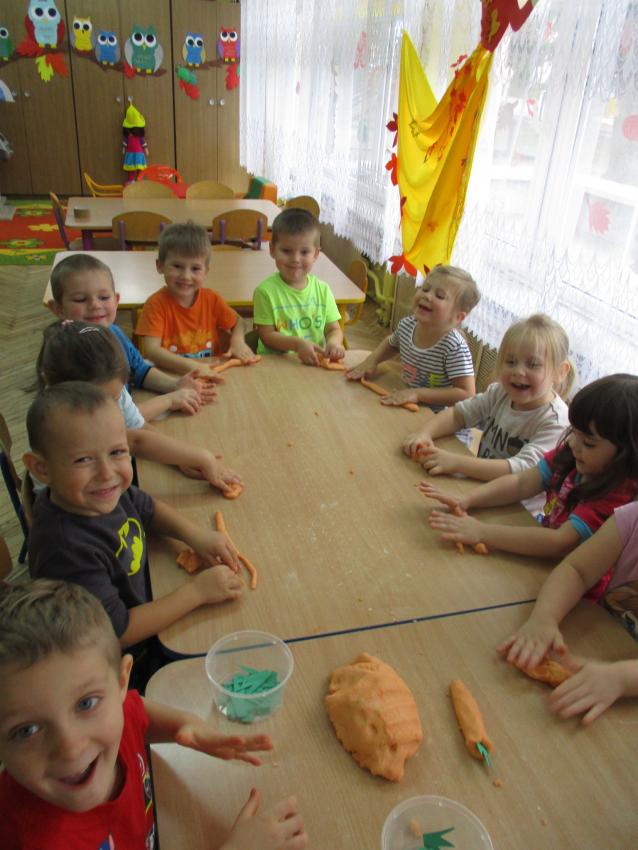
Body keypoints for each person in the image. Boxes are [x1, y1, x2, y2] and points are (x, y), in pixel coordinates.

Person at [0, 579, 307, 850]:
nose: (70, 748)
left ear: (122, 682)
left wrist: (186, 725)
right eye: (26, 731)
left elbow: (136, 713)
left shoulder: (113, 714)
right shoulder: (40, 842)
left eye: (86, 704)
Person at [24, 382, 244, 655]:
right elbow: (116, 633)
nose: (107, 473)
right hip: (129, 657)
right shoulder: (65, 550)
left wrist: (194, 534)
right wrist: (197, 593)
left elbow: (146, 507)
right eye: (83, 460)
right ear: (41, 469)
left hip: (148, 597)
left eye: (117, 452)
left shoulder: (98, 494)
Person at [420, 374, 638, 567]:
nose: (573, 443)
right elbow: (521, 482)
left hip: (570, 581)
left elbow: (559, 543)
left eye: (588, 443)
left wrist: (482, 532)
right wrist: (467, 499)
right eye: (573, 432)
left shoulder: (615, 497)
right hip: (538, 557)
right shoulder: (572, 455)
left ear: (628, 454)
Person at [37, 320, 241, 495]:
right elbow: (135, 441)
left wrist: (182, 460)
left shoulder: (108, 386)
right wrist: (201, 458)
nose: (108, 408)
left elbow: (139, 429)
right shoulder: (56, 423)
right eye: (95, 403)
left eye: (114, 398)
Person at [403, 314, 572, 498]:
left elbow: (521, 472)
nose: (518, 371)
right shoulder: (500, 393)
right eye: (511, 362)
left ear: (560, 372)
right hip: (478, 486)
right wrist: (424, 433)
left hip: (516, 506)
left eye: (533, 364)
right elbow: (457, 415)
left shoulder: (556, 422)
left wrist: (456, 463)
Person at [498, 503, 638, 724]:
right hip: (601, 646)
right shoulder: (632, 519)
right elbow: (577, 570)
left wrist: (622, 678)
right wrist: (545, 617)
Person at [48, 253, 218, 422]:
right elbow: (112, 420)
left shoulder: (114, 332)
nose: (95, 305)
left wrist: (174, 385)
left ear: (116, 300)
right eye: (80, 299)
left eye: (104, 297)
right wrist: (169, 400)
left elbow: (139, 371)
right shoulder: (70, 354)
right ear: (57, 309)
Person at [346, 265, 479, 408]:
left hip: (435, 415)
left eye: (440, 296)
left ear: (458, 317)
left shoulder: (454, 347)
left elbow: (466, 394)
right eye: (425, 289)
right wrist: (371, 361)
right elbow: (391, 344)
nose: (427, 296)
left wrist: (418, 394)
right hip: (404, 398)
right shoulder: (407, 325)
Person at [135, 221, 256, 376]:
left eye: (195, 268)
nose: (186, 276)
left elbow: (238, 321)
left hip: (209, 373)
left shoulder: (211, 299)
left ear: (206, 271)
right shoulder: (155, 304)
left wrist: (237, 341)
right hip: (172, 377)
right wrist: (193, 367)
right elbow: (152, 350)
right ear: (160, 266)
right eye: (177, 266)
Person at [253, 207, 345, 365]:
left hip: (311, 364)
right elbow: (266, 336)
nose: (295, 259)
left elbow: (333, 329)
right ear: (272, 250)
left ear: (315, 254)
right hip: (275, 365)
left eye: (304, 252)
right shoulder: (265, 292)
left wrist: (334, 343)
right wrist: (297, 345)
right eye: (286, 251)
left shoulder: (323, 290)